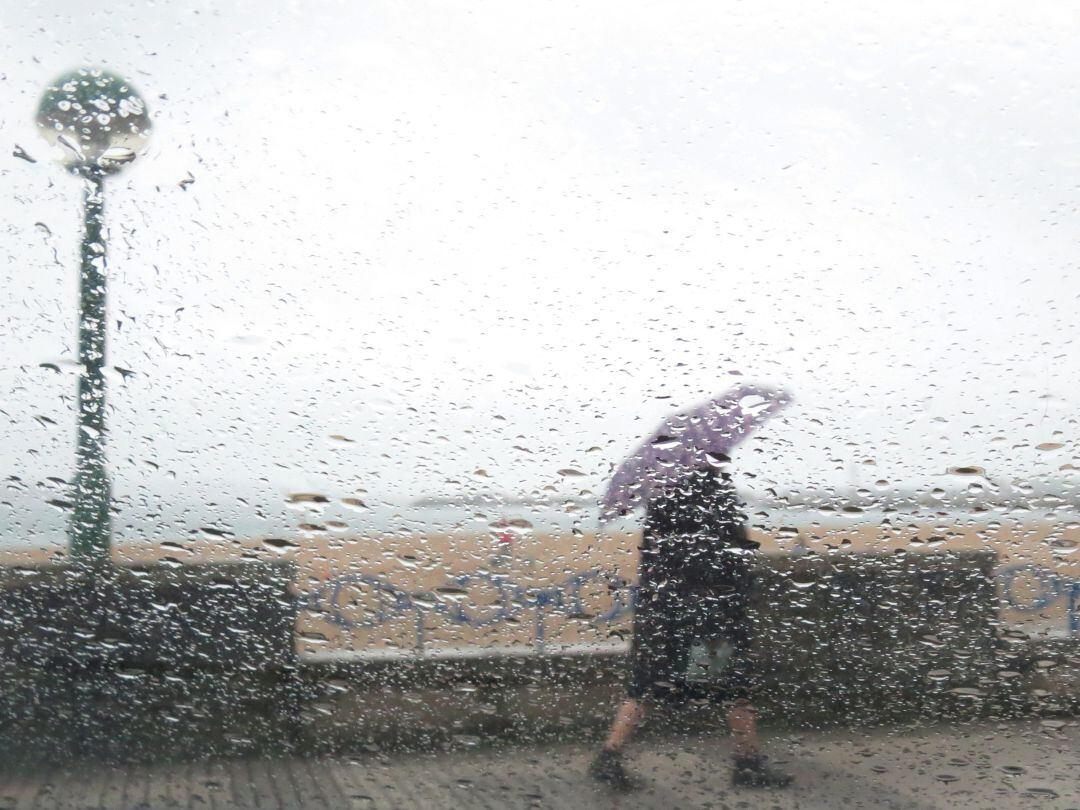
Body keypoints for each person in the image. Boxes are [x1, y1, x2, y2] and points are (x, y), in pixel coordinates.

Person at [589, 462, 793, 790]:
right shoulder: (718, 501)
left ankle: (609, 757)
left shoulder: (661, 501)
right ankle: (747, 764)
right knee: (732, 687)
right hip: (708, 617)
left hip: (661, 615)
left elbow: (655, 558)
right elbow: (732, 558)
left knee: (644, 686)